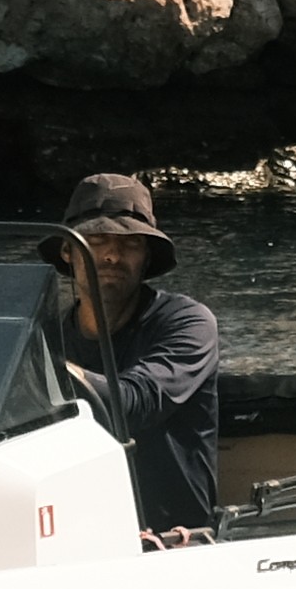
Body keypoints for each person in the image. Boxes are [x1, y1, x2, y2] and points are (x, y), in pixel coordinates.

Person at [43, 173, 221, 543]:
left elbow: (131, 405)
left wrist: (30, 366)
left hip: (176, 542)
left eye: (131, 243)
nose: (111, 255)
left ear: (146, 257)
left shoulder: (186, 322)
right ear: (66, 251)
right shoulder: (48, 334)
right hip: (76, 537)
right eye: (96, 240)